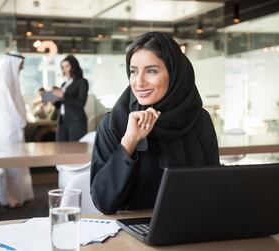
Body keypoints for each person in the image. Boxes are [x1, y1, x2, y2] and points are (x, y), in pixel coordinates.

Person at [90, 32, 220, 215]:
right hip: (130, 234)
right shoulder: (114, 123)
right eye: (133, 71)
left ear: (174, 73)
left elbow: (214, 187)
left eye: (151, 71)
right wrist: (129, 142)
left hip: (192, 226)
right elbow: (104, 202)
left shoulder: (199, 120)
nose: (139, 82)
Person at [0, 52, 34, 207]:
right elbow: (10, 107)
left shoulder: (9, 78)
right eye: (20, 65)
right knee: (10, 163)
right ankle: (9, 198)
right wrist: (21, 121)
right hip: (6, 129)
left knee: (16, 164)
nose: (21, 68)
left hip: (9, 127)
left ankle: (17, 195)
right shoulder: (4, 79)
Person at [52, 55, 89, 141]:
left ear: (74, 66)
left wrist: (63, 96)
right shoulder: (64, 84)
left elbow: (81, 103)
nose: (64, 69)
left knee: (75, 150)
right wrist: (55, 101)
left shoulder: (82, 82)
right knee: (61, 148)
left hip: (76, 121)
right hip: (62, 121)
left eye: (67, 66)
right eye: (63, 67)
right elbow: (62, 105)